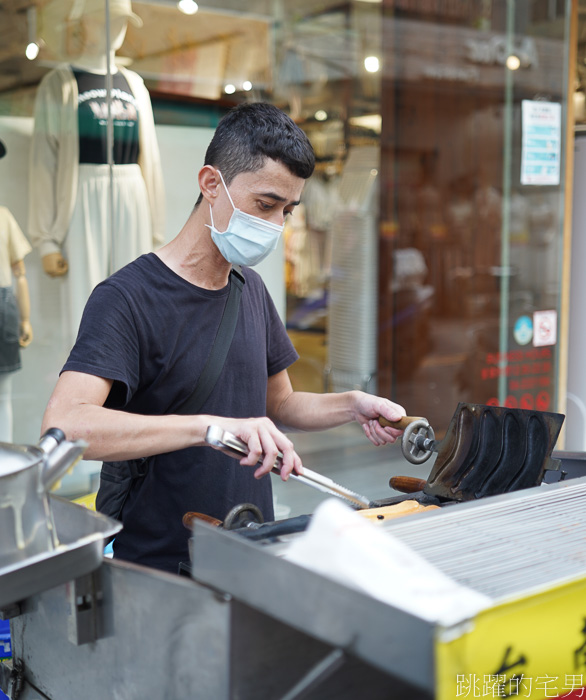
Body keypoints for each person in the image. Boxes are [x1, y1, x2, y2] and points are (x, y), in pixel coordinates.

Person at [41, 103, 406, 573]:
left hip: (253, 544)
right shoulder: (126, 298)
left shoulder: (249, 289)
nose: (276, 226)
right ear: (211, 184)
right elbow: (67, 426)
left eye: (288, 211)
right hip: (163, 564)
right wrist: (209, 429)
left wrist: (351, 405)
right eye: (265, 205)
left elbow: (279, 406)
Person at [28, 0, 165, 346]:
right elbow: (44, 161)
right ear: (83, 23)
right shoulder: (60, 83)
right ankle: (85, 386)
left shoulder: (134, 84)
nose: (114, 28)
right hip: (82, 192)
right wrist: (45, 240)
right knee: (87, 298)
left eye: (121, 21)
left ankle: (132, 387)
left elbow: (151, 162)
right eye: (105, 19)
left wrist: (156, 234)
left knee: (136, 297)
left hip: (132, 191)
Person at [0, 138, 34, 443]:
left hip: (3, 307)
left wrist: (24, 319)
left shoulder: (4, 216)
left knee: (4, 390)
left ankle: (4, 459)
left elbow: (19, 272)